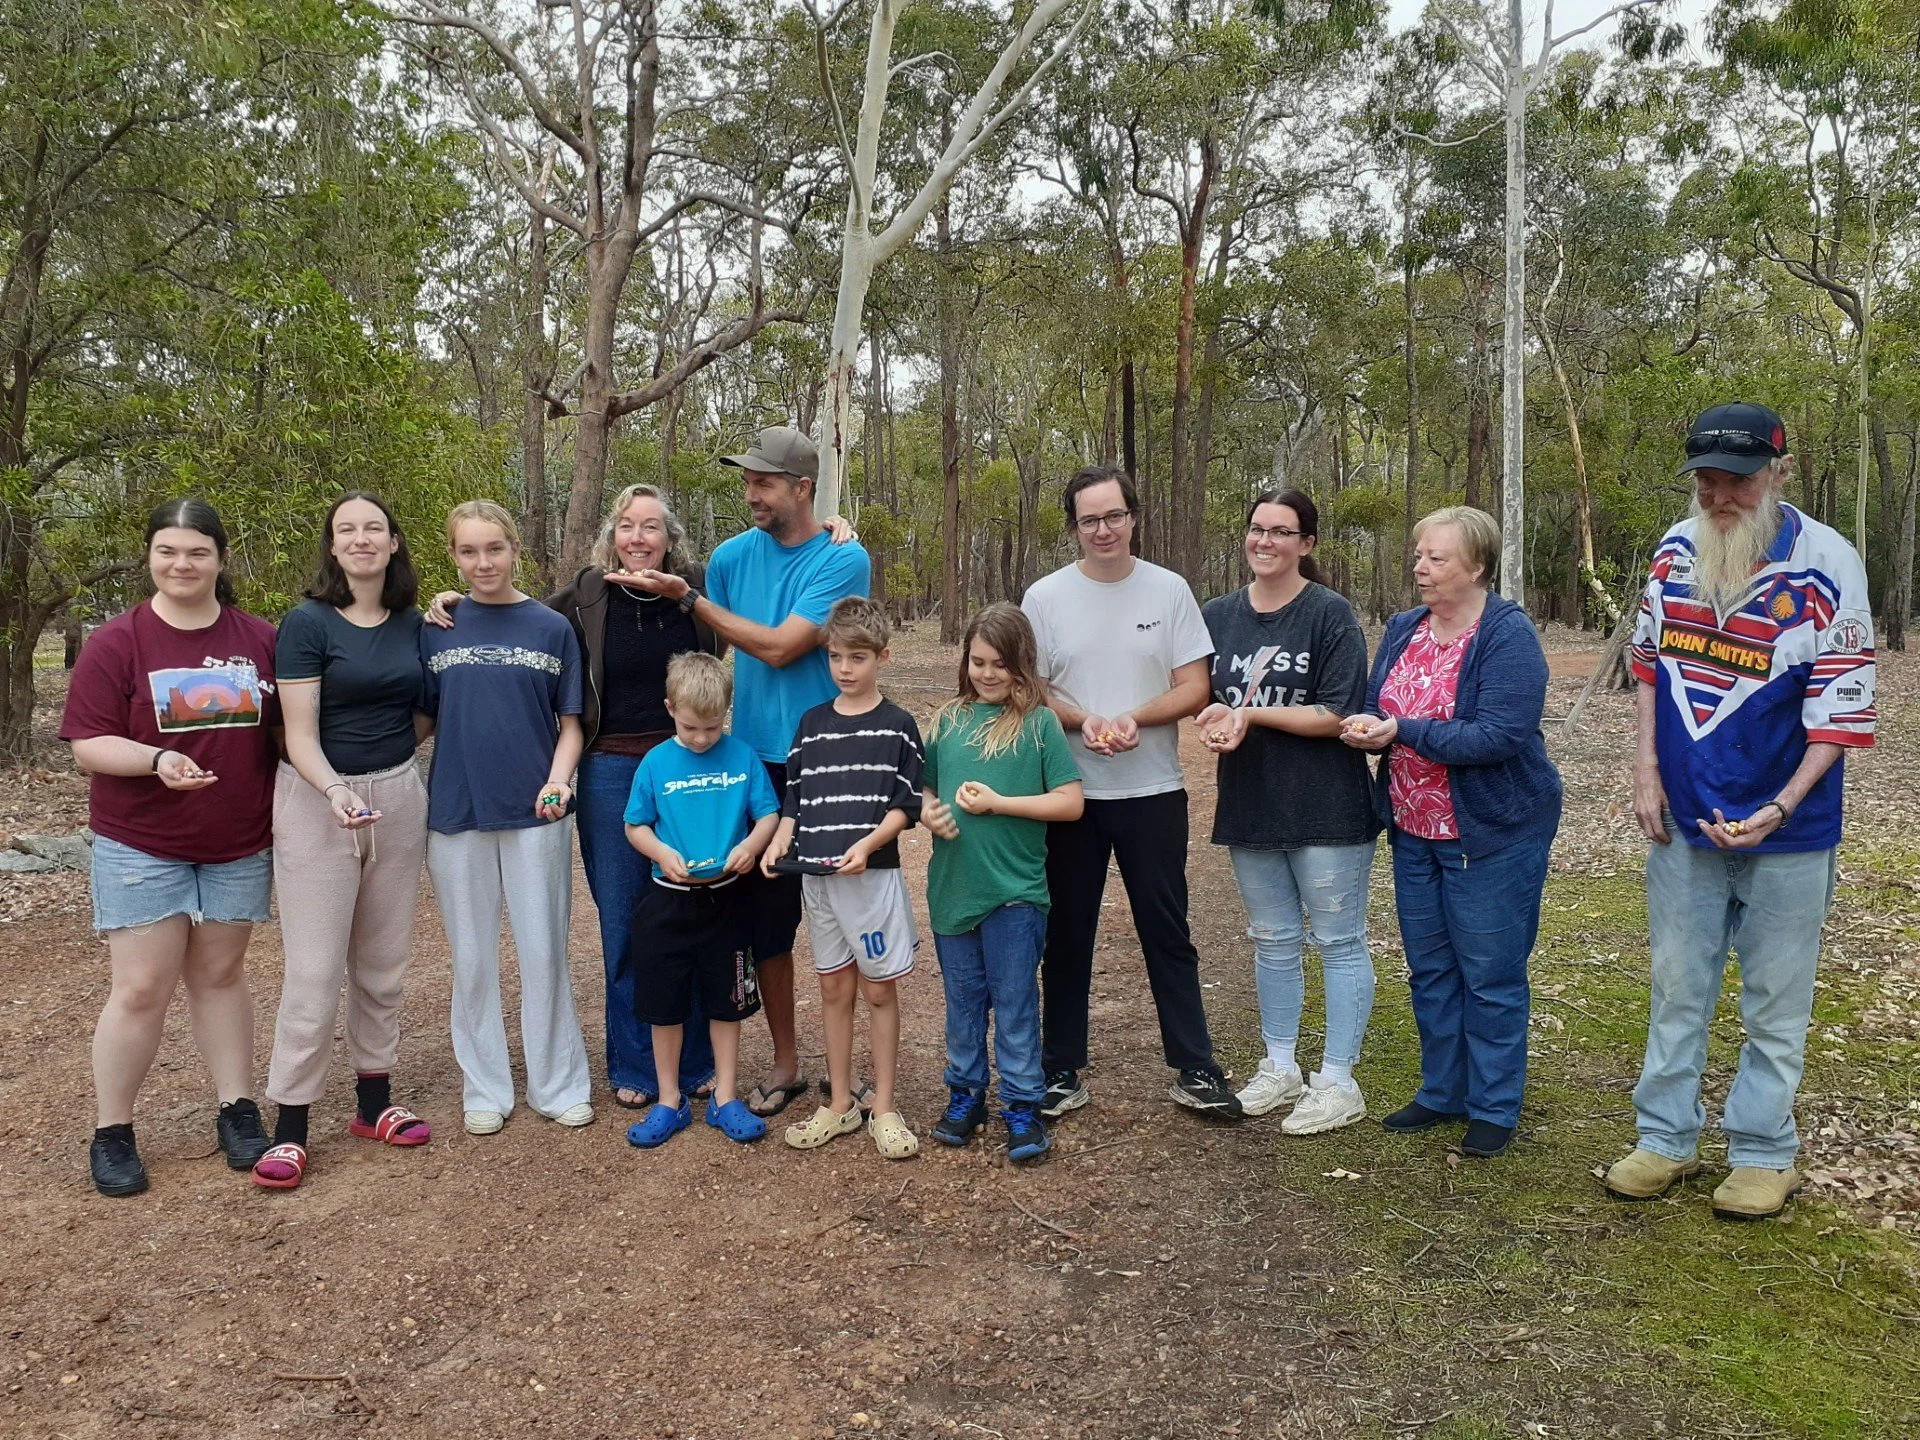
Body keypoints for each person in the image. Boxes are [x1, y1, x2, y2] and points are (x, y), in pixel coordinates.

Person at [1605, 403, 1874, 1220]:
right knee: (1677, 986)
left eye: (1738, 479)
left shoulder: (1829, 562)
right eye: (1708, 480)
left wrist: (1782, 806)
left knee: (1775, 996)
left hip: (1788, 830)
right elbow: (1649, 665)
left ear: (1779, 472)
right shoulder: (1675, 551)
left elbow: (1842, 708)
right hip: (1683, 816)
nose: (1720, 494)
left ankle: (1763, 1150)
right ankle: (1665, 1138)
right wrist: (1645, 770)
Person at [621, 427, 870, 1118]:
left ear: (803, 488)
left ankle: (858, 1068)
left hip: (827, 758)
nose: (751, 493)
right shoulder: (730, 558)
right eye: (747, 481)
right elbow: (702, 644)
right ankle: (787, 1062)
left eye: (763, 482)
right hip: (755, 762)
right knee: (764, 922)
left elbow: (786, 647)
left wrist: (689, 598)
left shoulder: (843, 560)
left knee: (849, 906)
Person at [62, 499, 280, 1196]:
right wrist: (157, 761)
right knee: (141, 987)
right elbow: (88, 745)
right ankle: (113, 1131)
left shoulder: (259, 639)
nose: (181, 564)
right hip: (141, 842)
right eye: (168, 551)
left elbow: (290, 729)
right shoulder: (117, 643)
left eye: (196, 552)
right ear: (150, 557)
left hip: (237, 838)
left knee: (220, 975)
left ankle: (238, 1111)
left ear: (220, 559)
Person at [1341, 505, 1562, 1159]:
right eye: (1419, 555)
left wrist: (1401, 731)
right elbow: (1380, 702)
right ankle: (1444, 1091)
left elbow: (1499, 734)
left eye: (1437, 558)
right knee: (1431, 969)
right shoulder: (1406, 627)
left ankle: (1494, 1106)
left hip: (1490, 832)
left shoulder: (1506, 635)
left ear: (1478, 565)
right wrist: (1365, 724)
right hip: (1412, 829)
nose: (1420, 567)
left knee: (1489, 975)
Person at [1020, 464, 1240, 1119]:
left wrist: (1131, 719)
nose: (1104, 529)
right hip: (1069, 794)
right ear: (1075, 527)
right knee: (1066, 933)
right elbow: (1030, 687)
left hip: (1153, 791)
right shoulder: (1046, 597)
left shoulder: (1168, 591)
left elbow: (1194, 685)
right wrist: (1083, 720)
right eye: (1090, 519)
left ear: (1133, 517)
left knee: (1167, 931)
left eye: (1114, 515)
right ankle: (1060, 1069)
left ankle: (1196, 1068)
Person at [252, 493, 432, 1191]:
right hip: (316, 799)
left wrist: (388, 776)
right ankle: (290, 1127)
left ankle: (373, 1104)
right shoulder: (305, 623)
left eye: (374, 529)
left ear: (393, 544)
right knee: (315, 968)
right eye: (346, 530)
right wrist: (336, 790)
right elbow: (296, 734)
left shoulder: (416, 624)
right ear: (331, 546)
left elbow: (423, 711)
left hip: (394, 796)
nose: (360, 540)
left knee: (383, 961)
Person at [1198, 489, 1379, 1135]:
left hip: (1327, 805)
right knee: (1273, 942)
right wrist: (1217, 722)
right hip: (1252, 803)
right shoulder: (1219, 615)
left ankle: (1338, 1079)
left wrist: (1249, 713)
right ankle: (1281, 1067)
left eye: (1281, 531)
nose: (1264, 542)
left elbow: (1335, 713)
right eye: (1256, 529)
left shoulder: (1329, 615)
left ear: (1306, 543)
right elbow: (1205, 696)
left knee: (1337, 941)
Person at [420, 500, 593, 1136]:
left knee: (543, 948)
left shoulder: (551, 628)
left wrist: (557, 781)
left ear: (515, 549)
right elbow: (421, 718)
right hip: (456, 811)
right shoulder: (437, 626)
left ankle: (558, 1083)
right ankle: (485, 1086)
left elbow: (570, 725)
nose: (483, 562)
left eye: (494, 548)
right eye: (468, 551)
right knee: (471, 958)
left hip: (535, 813)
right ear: (454, 556)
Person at [921, 603, 1084, 1163]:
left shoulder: (1039, 725)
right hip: (953, 890)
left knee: (1014, 1001)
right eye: (977, 662)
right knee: (963, 1002)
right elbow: (922, 789)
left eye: (999, 665)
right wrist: (930, 813)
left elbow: (1070, 802)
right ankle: (965, 1095)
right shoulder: (946, 722)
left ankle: (1022, 1104)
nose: (987, 674)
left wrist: (999, 804)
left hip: (1015, 893)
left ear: (1022, 665)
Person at [763, 597, 924, 1158]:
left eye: (858, 657)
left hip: (871, 879)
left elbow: (906, 805)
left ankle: (883, 1104)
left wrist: (870, 843)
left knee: (879, 989)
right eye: (835, 657)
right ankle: (839, 1104)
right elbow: (795, 796)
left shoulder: (899, 726)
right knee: (833, 986)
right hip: (818, 878)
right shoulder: (811, 724)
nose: (845, 669)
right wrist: (783, 835)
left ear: (883, 656)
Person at [621, 653, 783, 1149]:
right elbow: (635, 825)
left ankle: (725, 1097)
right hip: (667, 903)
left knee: (726, 1002)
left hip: (727, 902)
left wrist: (752, 847)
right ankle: (669, 1100)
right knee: (664, 1004)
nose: (701, 738)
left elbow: (768, 815)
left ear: (726, 714)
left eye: (712, 728)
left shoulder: (742, 756)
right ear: (670, 708)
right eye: (691, 726)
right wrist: (661, 851)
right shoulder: (655, 762)